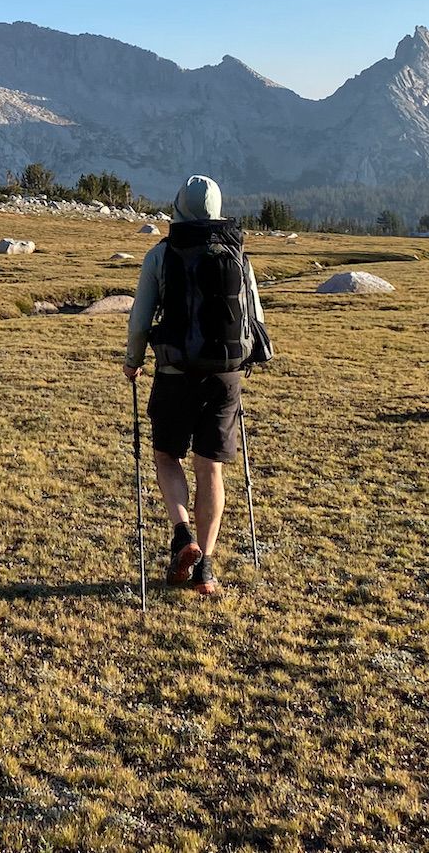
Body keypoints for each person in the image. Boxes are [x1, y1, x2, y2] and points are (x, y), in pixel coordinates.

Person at [124, 174, 271, 596]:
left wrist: (132, 363)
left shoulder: (161, 254)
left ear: (180, 208)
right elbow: (255, 319)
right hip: (226, 375)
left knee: (167, 455)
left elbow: (139, 322)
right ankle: (205, 569)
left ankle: (180, 533)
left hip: (174, 373)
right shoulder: (239, 255)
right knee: (212, 468)